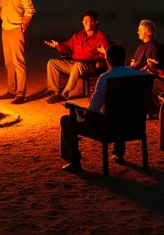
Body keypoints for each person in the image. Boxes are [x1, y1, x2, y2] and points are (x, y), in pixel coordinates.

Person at [59, 44, 141, 172]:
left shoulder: (106, 78)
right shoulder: (138, 75)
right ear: (124, 59)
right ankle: (119, 152)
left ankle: (73, 160)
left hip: (109, 128)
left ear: (107, 60)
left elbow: (93, 110)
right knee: (121, 112)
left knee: (66, 120)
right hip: (134, 125)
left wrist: (81, 111)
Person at [43, 11, 111, 103]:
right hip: (74, 62)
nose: (88, 25)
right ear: (82, 23)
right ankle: (56, 92)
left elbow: (106, 54)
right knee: (52, 63)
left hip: (89, 65)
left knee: (77, 65)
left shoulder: (101, 38)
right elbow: (66, 47)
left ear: (96, 22)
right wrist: (57, 46)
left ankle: (64, 94)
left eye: (90, 22)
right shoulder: (77, 36)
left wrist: (103, 55)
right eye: (85, 22)